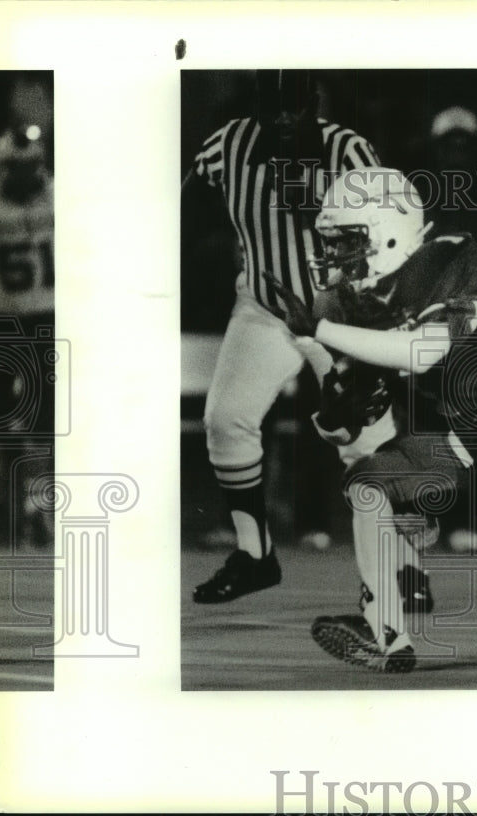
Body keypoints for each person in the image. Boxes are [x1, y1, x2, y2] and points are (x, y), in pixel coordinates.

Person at [268, 167, 477, 673]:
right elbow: (342, 427)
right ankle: (388, 632)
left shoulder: (446, 259)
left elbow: (422, 352)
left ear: (388, 232)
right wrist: (332, 396)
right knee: (366, 484)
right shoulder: (348, 301)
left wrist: (320, 331)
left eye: (346, 242)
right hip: (444, 446)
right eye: (330, 243)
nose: (334, 256)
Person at [182, 70, 382, 603]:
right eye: (273, 110)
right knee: (226, 422)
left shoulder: (349, 151)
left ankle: (392, 574)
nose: (284, 121)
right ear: (257, 111)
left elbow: (392, 232)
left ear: (312, 105)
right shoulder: (229, 144)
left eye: (295, 108)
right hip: (268, 309)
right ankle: (254, 555)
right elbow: (184, 206)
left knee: (363, 446)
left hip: (341, 316)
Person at [0, 123, 55, 549]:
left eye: (29, 166)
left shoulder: (61, 197)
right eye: (15, 168)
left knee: (46, 413)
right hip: (1, 314)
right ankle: (11, 495)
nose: (23, 176)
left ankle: (36, 501)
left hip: (49, 313)